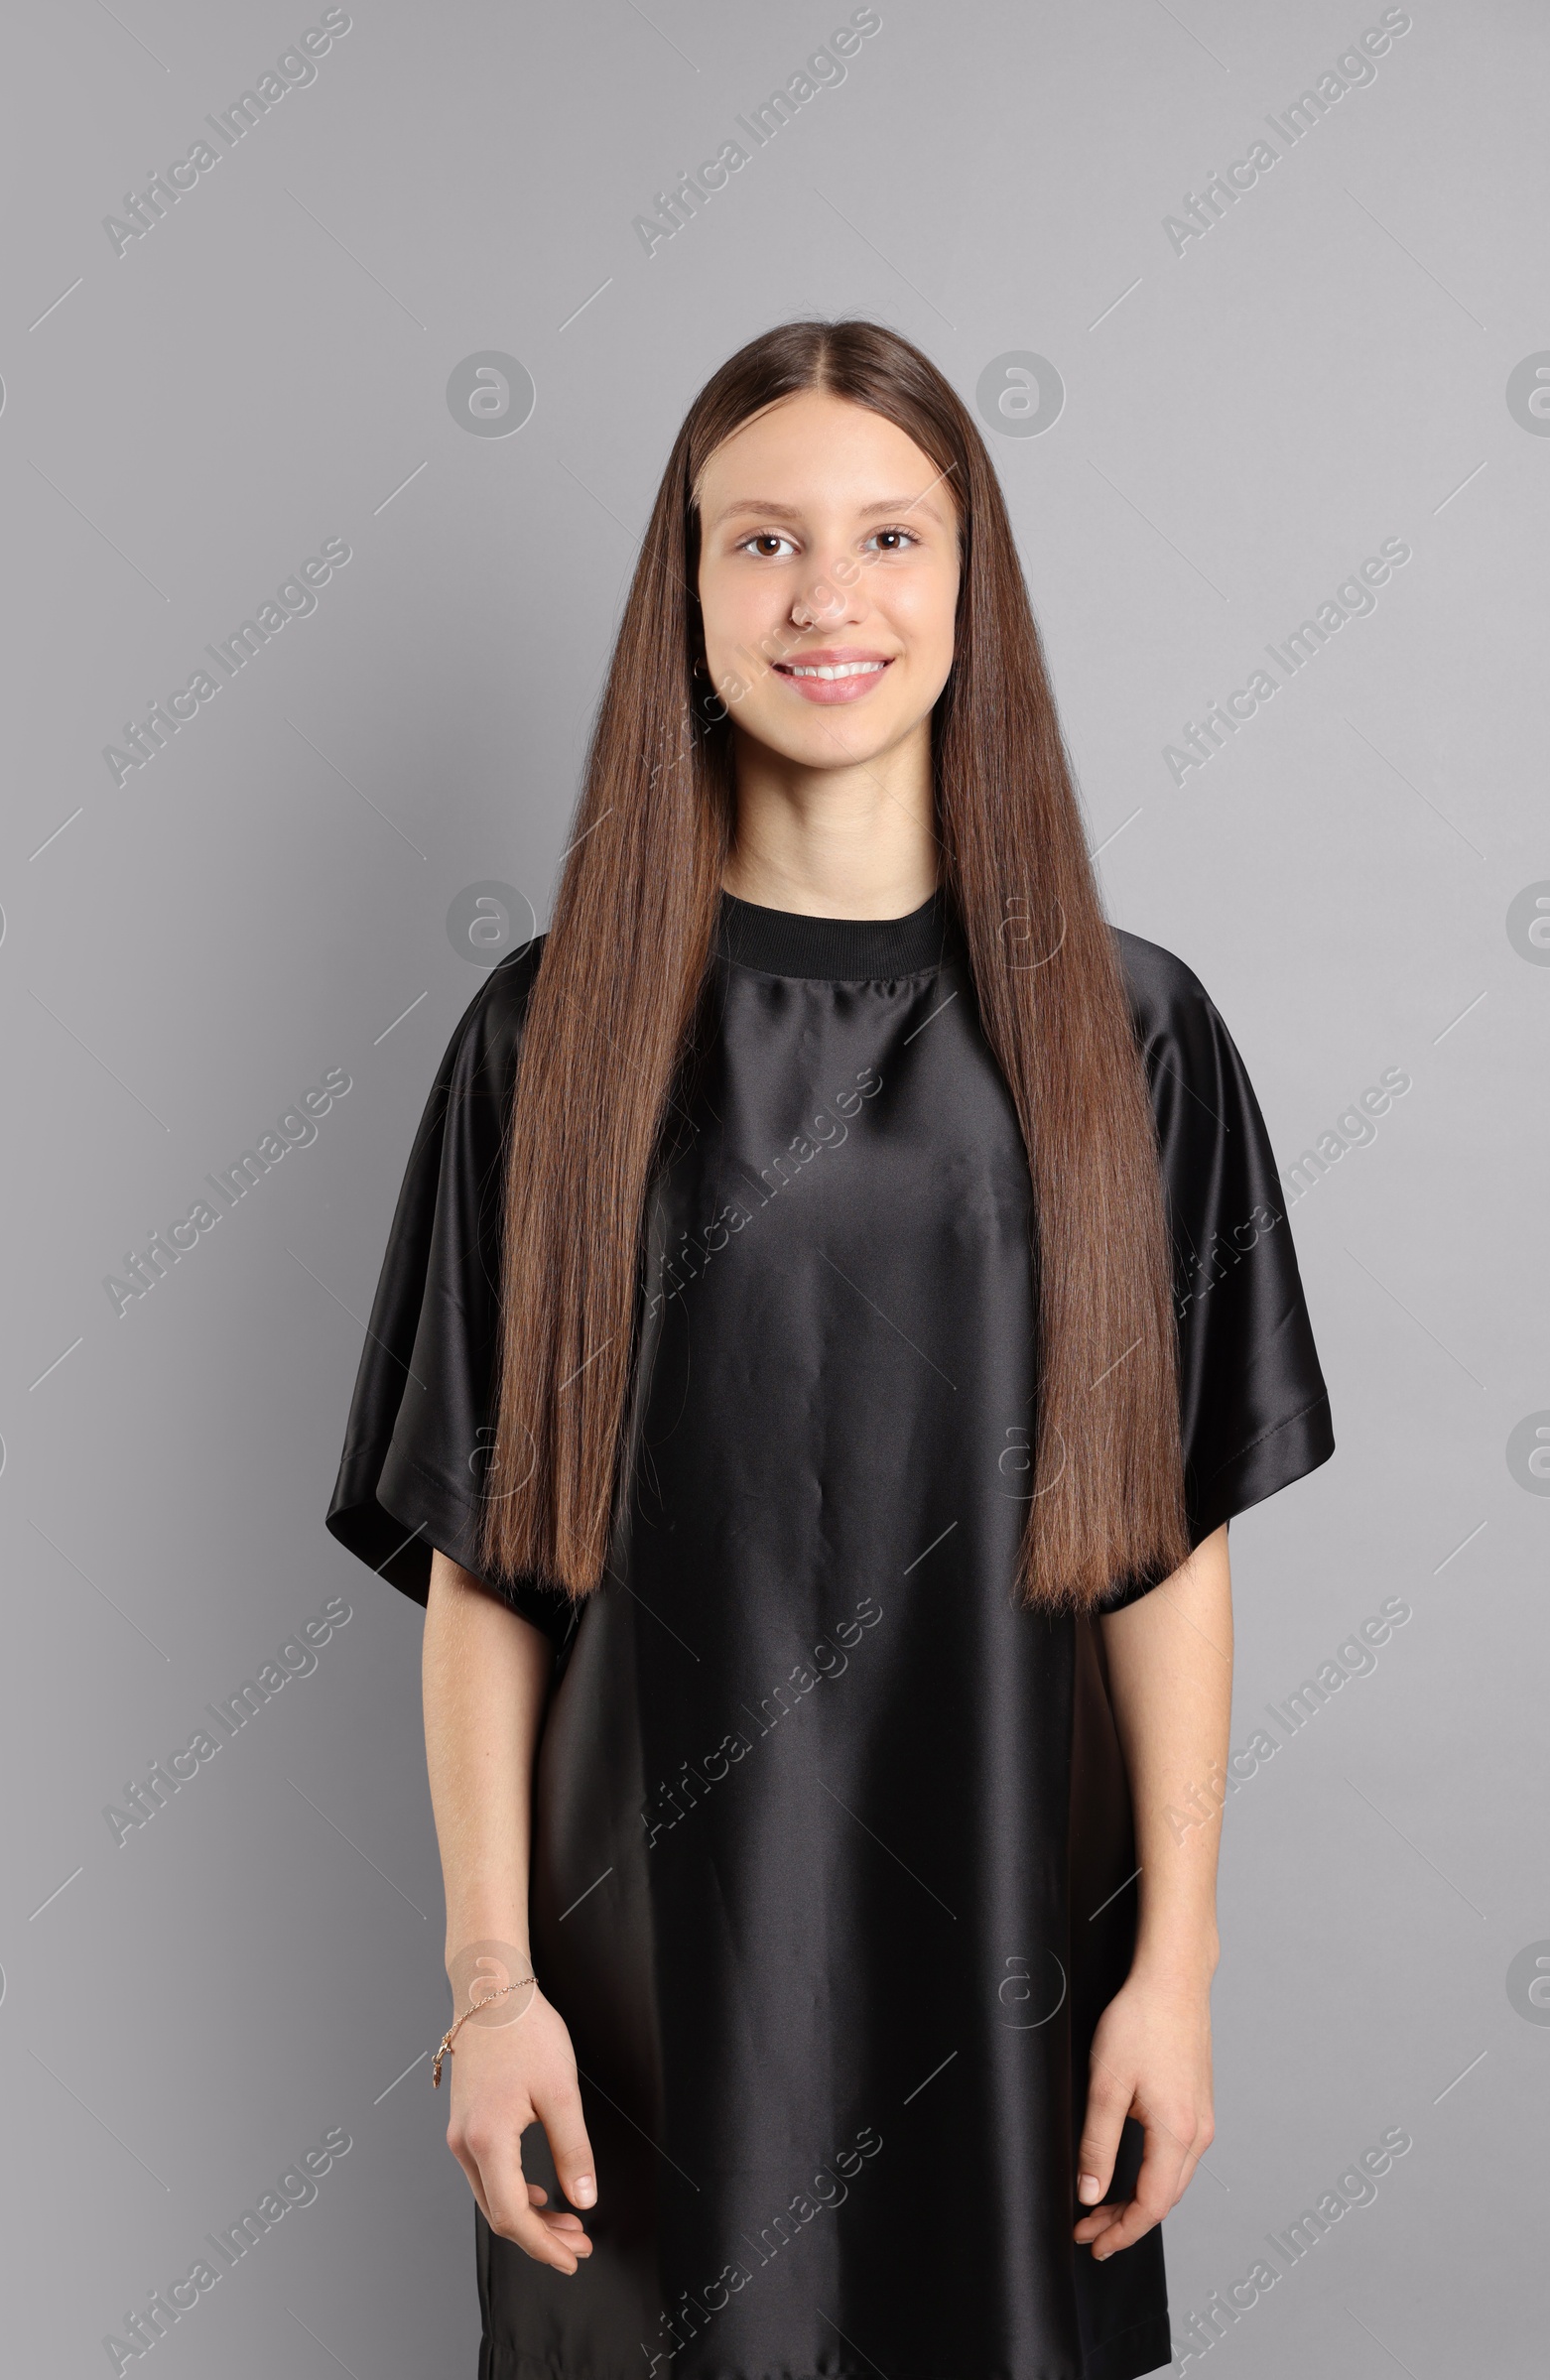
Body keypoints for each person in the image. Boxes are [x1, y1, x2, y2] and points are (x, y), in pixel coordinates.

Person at [325, 318, 1334, 2380]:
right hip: (639, 2009)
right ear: (682, 597)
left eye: (887, 535)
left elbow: (1157, 1554)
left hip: (1010, 1982)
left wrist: (1176, 1971)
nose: (826, 599)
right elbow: (484, 1576)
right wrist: (490, 1982)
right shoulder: (549, 1045)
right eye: (757, 543)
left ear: (969, 588)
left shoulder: (1122, 1041)